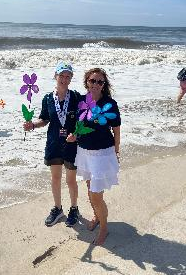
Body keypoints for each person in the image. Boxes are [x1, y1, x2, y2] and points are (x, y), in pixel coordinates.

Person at [67, 68, 121, 246]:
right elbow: (79, 124)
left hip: (102, 153)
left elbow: (116, 128)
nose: (96, 85)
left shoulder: (110, 104)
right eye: (92, 81)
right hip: (84, 152)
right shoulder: (82, 101)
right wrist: (74, 135)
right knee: (91, 190)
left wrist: (117, 149)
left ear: (104, 85)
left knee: (95, 194)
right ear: (87, 82)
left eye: (100, 82)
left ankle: (104, 228)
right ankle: (98, 217)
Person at [24, 62, 80, 227]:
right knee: (55, 178)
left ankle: (74, 208)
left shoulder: (76, 97)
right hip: (54, 143)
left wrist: (76, 134)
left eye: (67, 76)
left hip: (71, 144)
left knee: (71, 180)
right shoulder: (48, 98)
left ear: (71, 78)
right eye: (61, 75)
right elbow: (45, 119)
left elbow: (83, 119)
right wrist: (33, 125)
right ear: (55, 76)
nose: (64, 79)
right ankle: (58, 208)